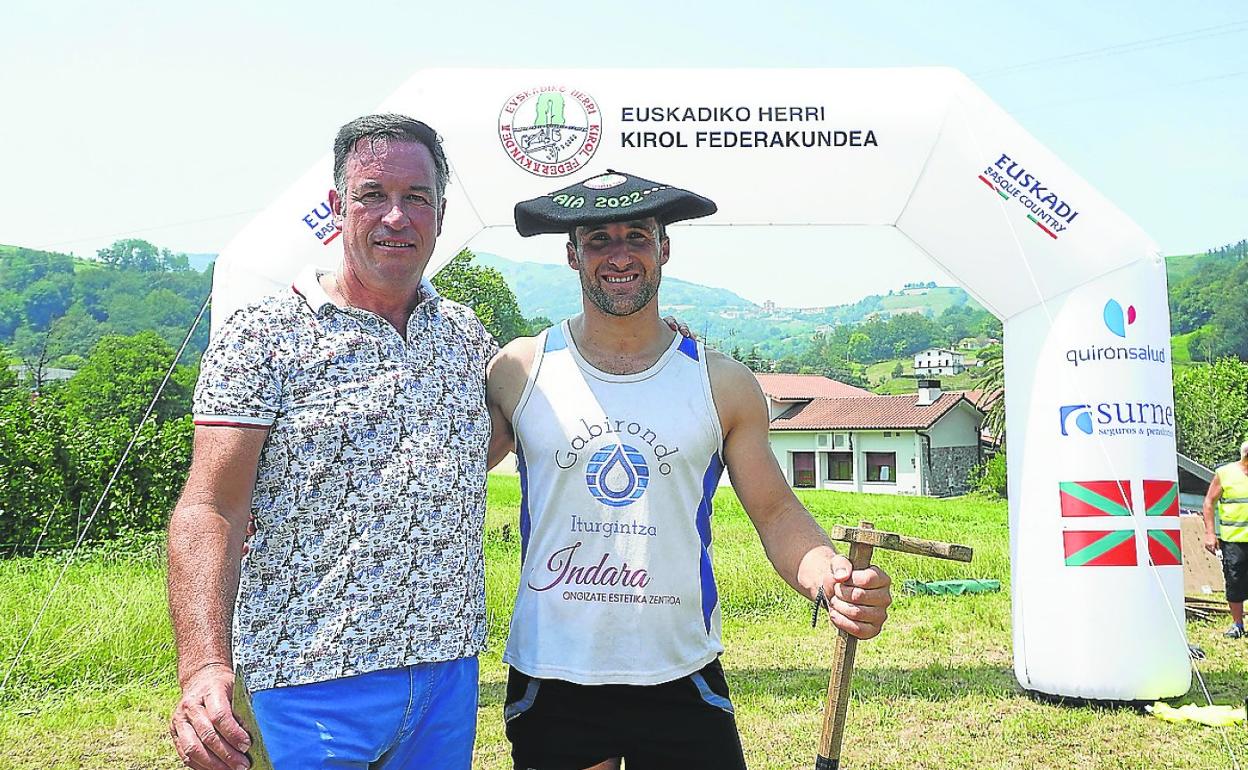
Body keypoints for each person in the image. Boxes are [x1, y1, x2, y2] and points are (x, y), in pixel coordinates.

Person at [485, 170, 894, 769]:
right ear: (571, 255)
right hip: (554, 668)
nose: (619, 255)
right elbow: (445, 481)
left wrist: (830, 578)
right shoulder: (521, 369)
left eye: (637, 236)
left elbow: (776, 513)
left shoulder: (721, 381)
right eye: (598, 240)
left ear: (664, 248)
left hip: (680, 671)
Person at [167, 114, 502, 770]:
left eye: (417, 198)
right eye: (373, 194)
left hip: (446, 679)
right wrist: (204, 667)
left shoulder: (466, 338)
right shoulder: (263, 336)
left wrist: (655, 341)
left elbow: (515, 427)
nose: (396, 216)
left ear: (440, 211)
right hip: (305, 685)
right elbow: (210, 509)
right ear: (334, 207)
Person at [1203, 439, 1248, 639]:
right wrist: (1210, 533)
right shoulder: (1225, 474)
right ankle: (1237, 624)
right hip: (1234, 540)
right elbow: (1209, 502)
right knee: (1234, 580)